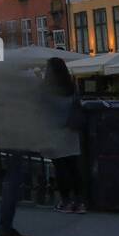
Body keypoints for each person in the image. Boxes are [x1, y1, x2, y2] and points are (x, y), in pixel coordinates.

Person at [40, 58, 85, 214]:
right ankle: (79, 202)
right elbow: (77, 104)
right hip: (71, 130)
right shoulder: (72, 86)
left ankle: (65, 201)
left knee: (60, 167)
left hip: (54, 130)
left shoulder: (46, 88)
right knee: (74, 166)